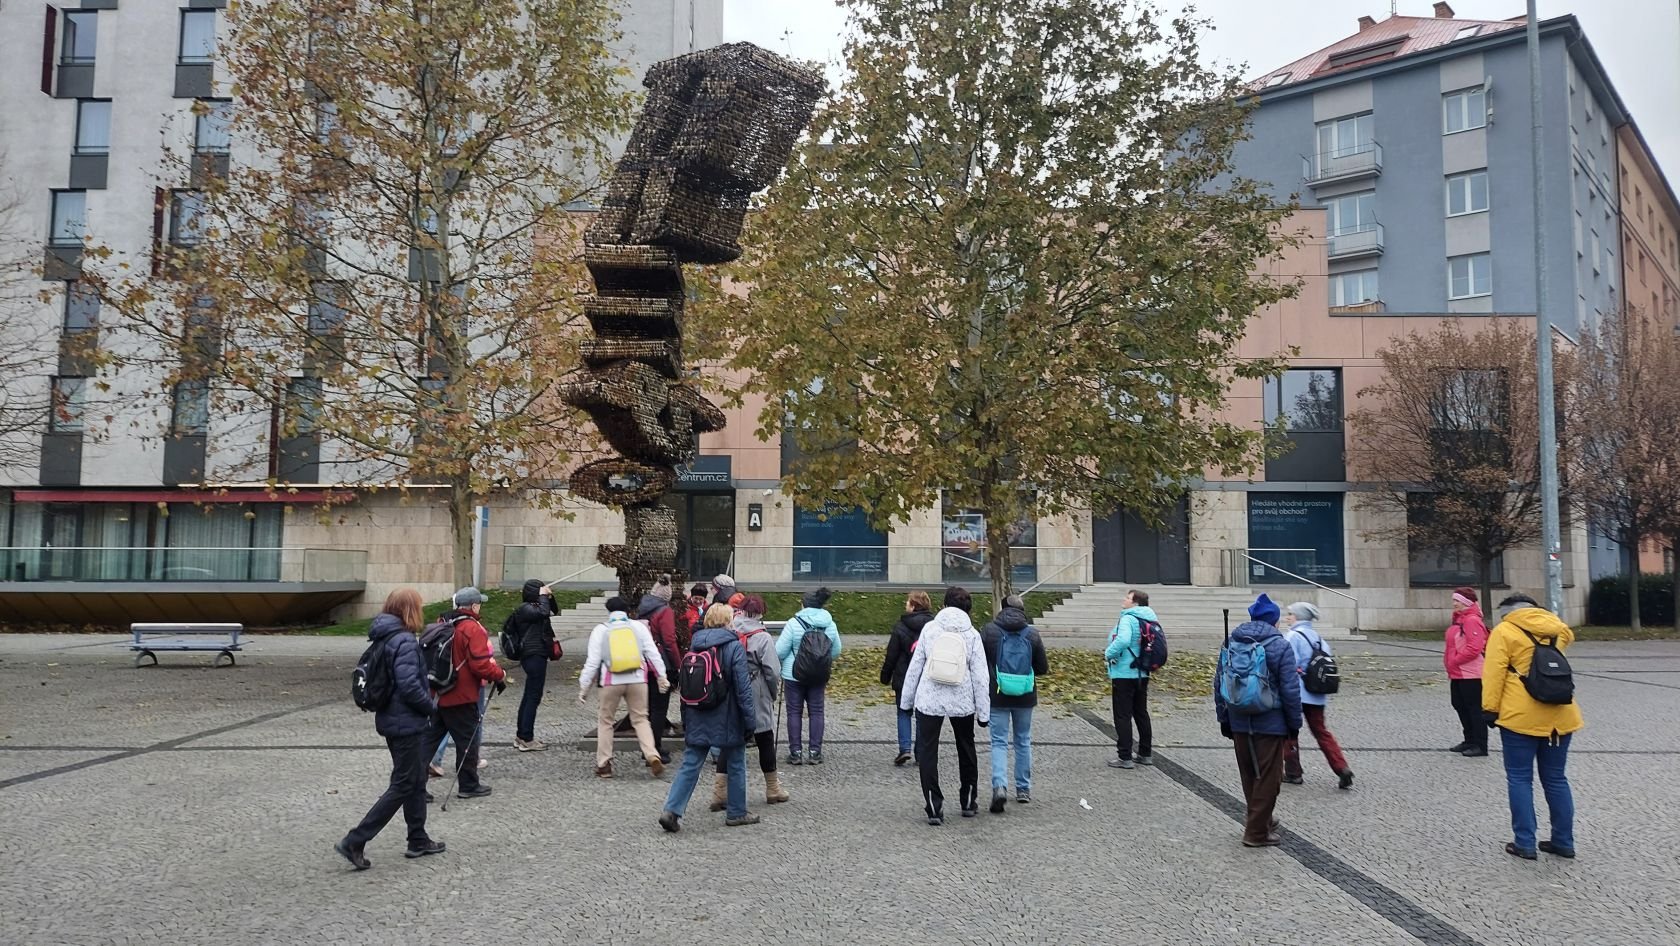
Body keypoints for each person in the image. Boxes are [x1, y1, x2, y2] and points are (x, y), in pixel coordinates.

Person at [336, 589, 443, 869]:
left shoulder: (385, 636)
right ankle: (355, 840)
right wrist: (430, 707)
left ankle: (418, 838)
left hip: (393, 719)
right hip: (406, 723)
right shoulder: (404, 640)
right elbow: (408, 685)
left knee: (415, 779)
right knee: (404, 783)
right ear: (410, 609)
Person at [1483, 593, 1584, 860]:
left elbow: (1494, 673)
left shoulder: (1504, 631)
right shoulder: (1557, 629)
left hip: (1520, 716)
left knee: (1519, 778)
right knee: (1556, 779)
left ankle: (1524, 842)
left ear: (1507, 613)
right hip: (1561, 714)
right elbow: (1567, 639)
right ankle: (1564, 841)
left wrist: (1489, 709)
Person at [659, 604, 760, 832]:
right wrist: (749, 721)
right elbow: (743, 688)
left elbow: (685, 688)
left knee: (690, 763)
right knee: (736, 762)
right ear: (728, 622)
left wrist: (686, 719)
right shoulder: (734, 647)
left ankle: (671, 810)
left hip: (697, 713)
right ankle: (737, 812)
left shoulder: (694, 647)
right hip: (728, 716)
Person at [1214, 593, 1303, 848]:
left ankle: (1262, 820)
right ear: (1274, 621)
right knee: (1270, 778)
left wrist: (1224, 718)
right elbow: (1290, 689)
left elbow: (1219, 683)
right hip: (1270, 721)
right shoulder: (1280, 645)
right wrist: (1294, 724)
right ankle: (1255, 833)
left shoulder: (1232, 641)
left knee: (1249, 775)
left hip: (1238, 718)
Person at [899, 586, 991, 825]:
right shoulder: (972, 634)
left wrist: (906, 701)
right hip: (962, 700)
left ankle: (934, 806)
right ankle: (968, 801)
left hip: (930, 699)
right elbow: (981, 676)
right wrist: (984, 713)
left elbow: (916, 667)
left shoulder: (930, 629)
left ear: (944, 604)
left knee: (928, 751)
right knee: (966, 748)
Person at [423, 587, 505, 800]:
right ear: (474, 606)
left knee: (429, 741)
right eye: (480, 604)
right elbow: (480, 665)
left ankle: (414, 785)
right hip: (461, 694)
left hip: (439, 691)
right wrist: (500, 674)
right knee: (467, 741)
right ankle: (468, 784)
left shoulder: (443, 622)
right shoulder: (471, 628)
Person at [708, 594, 788, 809]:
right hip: (756, 689)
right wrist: (771, 694)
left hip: (731, 689)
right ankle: (773, 788)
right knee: (765, 738)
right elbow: (772, 671)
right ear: (761, 613)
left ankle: (719, 792)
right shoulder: (763, 637)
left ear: (741, 610)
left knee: (729, 740)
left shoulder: (730, 630)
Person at [980, 593, 1049, 811]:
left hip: (997, 693)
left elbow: (980, 662)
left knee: (999, 741)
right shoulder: (1032, 633)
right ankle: (1023, 789)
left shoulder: (989, 630)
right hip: (1025, 694)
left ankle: (999, 786)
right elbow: (1042, 668)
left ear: (1002, 608)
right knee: (1023, 740)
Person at [1281, 602, 1354, 790]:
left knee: (1289, 732)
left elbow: (1289, 665)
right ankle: (1341, 767)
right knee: (1321, 732)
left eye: (1290, 614)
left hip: (1296, 693)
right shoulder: (1318, 638)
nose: (1287, 617)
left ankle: (1293, 773)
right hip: (1316, 693)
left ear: (1298, 617)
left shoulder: (1293, 636)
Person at [777, 586, 842, 764]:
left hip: (793, 674)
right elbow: (836, 650)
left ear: (803, 604)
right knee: (817, 711)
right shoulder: (830, 624)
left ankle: (795, 752)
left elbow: (780, 651)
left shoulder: (793, 623)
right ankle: (815, 752)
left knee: (794, 712)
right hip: (818, 674)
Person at [1104, 589, 1158, 770]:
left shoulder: (1128, 618)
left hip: (1124, 673)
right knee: (1141, 713)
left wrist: (1108, 653)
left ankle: (1125, 756)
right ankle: (1145, 753)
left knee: (1122, 715)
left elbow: (1123, 640)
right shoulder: (1149, 618)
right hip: (1142, 672)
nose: (1124, 599)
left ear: (1135, 603)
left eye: (1128, 598)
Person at [505, 578, 560, 752]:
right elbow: (544, 612)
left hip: (537, 654)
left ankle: (521, 735)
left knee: (530, 695)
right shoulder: (526, 609)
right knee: (533, 697)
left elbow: (553, 610)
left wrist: (549, 597)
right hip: (533, 655)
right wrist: (543, 596)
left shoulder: (536, 606)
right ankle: (526, 738)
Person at [881, 591, 934, 765]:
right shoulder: (934, 626)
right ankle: (921, 752)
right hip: (926, 677)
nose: (905, 604)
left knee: (903, 712)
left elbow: (892, 655)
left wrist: (885, 675)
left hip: (903, 676)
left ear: (913, 606)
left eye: (907, 602)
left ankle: (905, 749)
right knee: (921, 715)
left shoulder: (901, 626)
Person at [638, 575, 680, 763]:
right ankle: (654, 749)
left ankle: (646, 747)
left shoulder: (642, 610)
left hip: (643, 662)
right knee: (659, 708)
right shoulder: (664, 611)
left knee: (647, 707)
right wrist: (677, 665)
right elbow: (669, 640)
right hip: (660, 663)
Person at [1446, 586, 1490, 757]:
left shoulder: (1471, 620)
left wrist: (1455, 661)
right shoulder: (1459, 619)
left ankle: (1480, 744)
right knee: (1460, 705)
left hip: (1471, 674)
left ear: (1466, 602)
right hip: (1458, 673)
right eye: (1454, 600)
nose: (1454, 603)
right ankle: (1469, 740)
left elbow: (1474, 647)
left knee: (1474, 709)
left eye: (1456, 600)